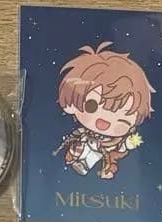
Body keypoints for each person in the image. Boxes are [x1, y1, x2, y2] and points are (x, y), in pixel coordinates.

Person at [56, 43, 155, 180]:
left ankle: (91, 168)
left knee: (95, 157)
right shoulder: (83, 133)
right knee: (79, 148)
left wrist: (130, 143)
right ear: (72, 104)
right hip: (86, 144)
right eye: (91, 106)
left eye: (122, 117)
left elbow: (122, 147)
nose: (104, 121)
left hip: (102, 151)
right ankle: (74, 159)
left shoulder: (114, 142)